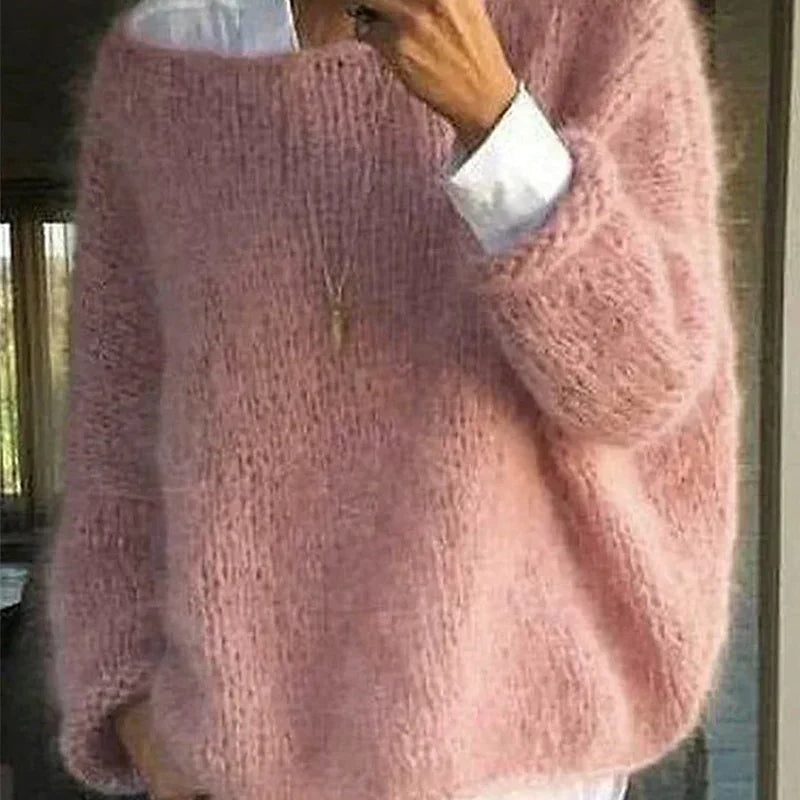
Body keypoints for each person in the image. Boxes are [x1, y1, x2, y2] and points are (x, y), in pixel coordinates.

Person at [44, 0, 740, 799]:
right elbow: (115, 433)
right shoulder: (170, 54)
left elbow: (642, 389)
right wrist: (133, 710)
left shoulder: (609, 27)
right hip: (239, 763)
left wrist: (494, 119)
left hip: (516, 761)